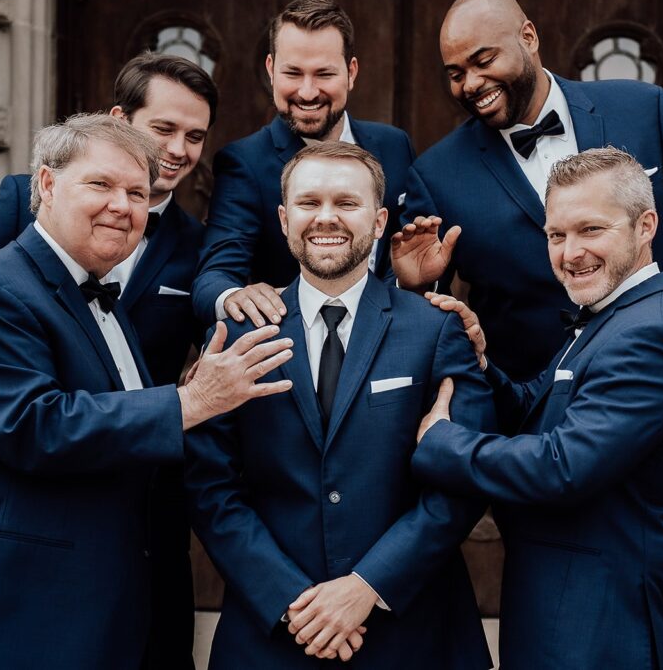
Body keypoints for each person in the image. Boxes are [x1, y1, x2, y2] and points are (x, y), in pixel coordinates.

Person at [391, 0, 663, 665]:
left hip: (651, 399)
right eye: (454, 73)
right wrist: (421, 291)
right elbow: (429, 315)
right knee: (561, 593)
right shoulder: (437, 171)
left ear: (528, 37)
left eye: (482, 60)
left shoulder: (640, 108)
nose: (469, 83)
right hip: (533, 413)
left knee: (659, 577)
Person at [0, 114, 293, 669]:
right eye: (101, 185)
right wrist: (191, 401)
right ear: (45, 184)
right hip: (11, 618)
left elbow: (119, 433)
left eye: (138, 193)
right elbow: (35, 426)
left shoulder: (99, 297)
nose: (123, 205)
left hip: (98, 614)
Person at [0, 52, 215, 667]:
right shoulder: (10, 245)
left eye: (194, 136)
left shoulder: (184, 249)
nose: (177, 148)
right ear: (47, 184)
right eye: (102, 184)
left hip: (131, 534)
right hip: (31, 552)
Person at [186, 142, 494, 669]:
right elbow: (210, 485)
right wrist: (290, 600)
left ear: (378, 222)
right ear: (284, 220)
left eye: (346, 203)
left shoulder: (438, 328)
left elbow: (461, 483)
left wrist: (367, 586)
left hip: (411, 629)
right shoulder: (238, 334)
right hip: (274, 635)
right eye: (308, 203)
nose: (325, 217)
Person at [415, 148, 663, 669]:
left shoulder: (654, 333)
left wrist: (442, 441)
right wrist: (481, 362)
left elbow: (564, 467)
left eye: (590, 230)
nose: (569, 253)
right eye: (557, 235)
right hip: (564, 615)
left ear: (646, 226)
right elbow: (541, 404)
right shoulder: (612, 314)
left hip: (598, 631)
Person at [191, 0, 415, 329]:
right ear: (271, 70)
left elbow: (404, 257)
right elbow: (214, 278)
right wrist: (232, 296)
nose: (307, 92)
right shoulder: (244, 162)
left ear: (351, 72)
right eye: (293, 73)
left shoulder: (394, 145)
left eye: (324, 74)